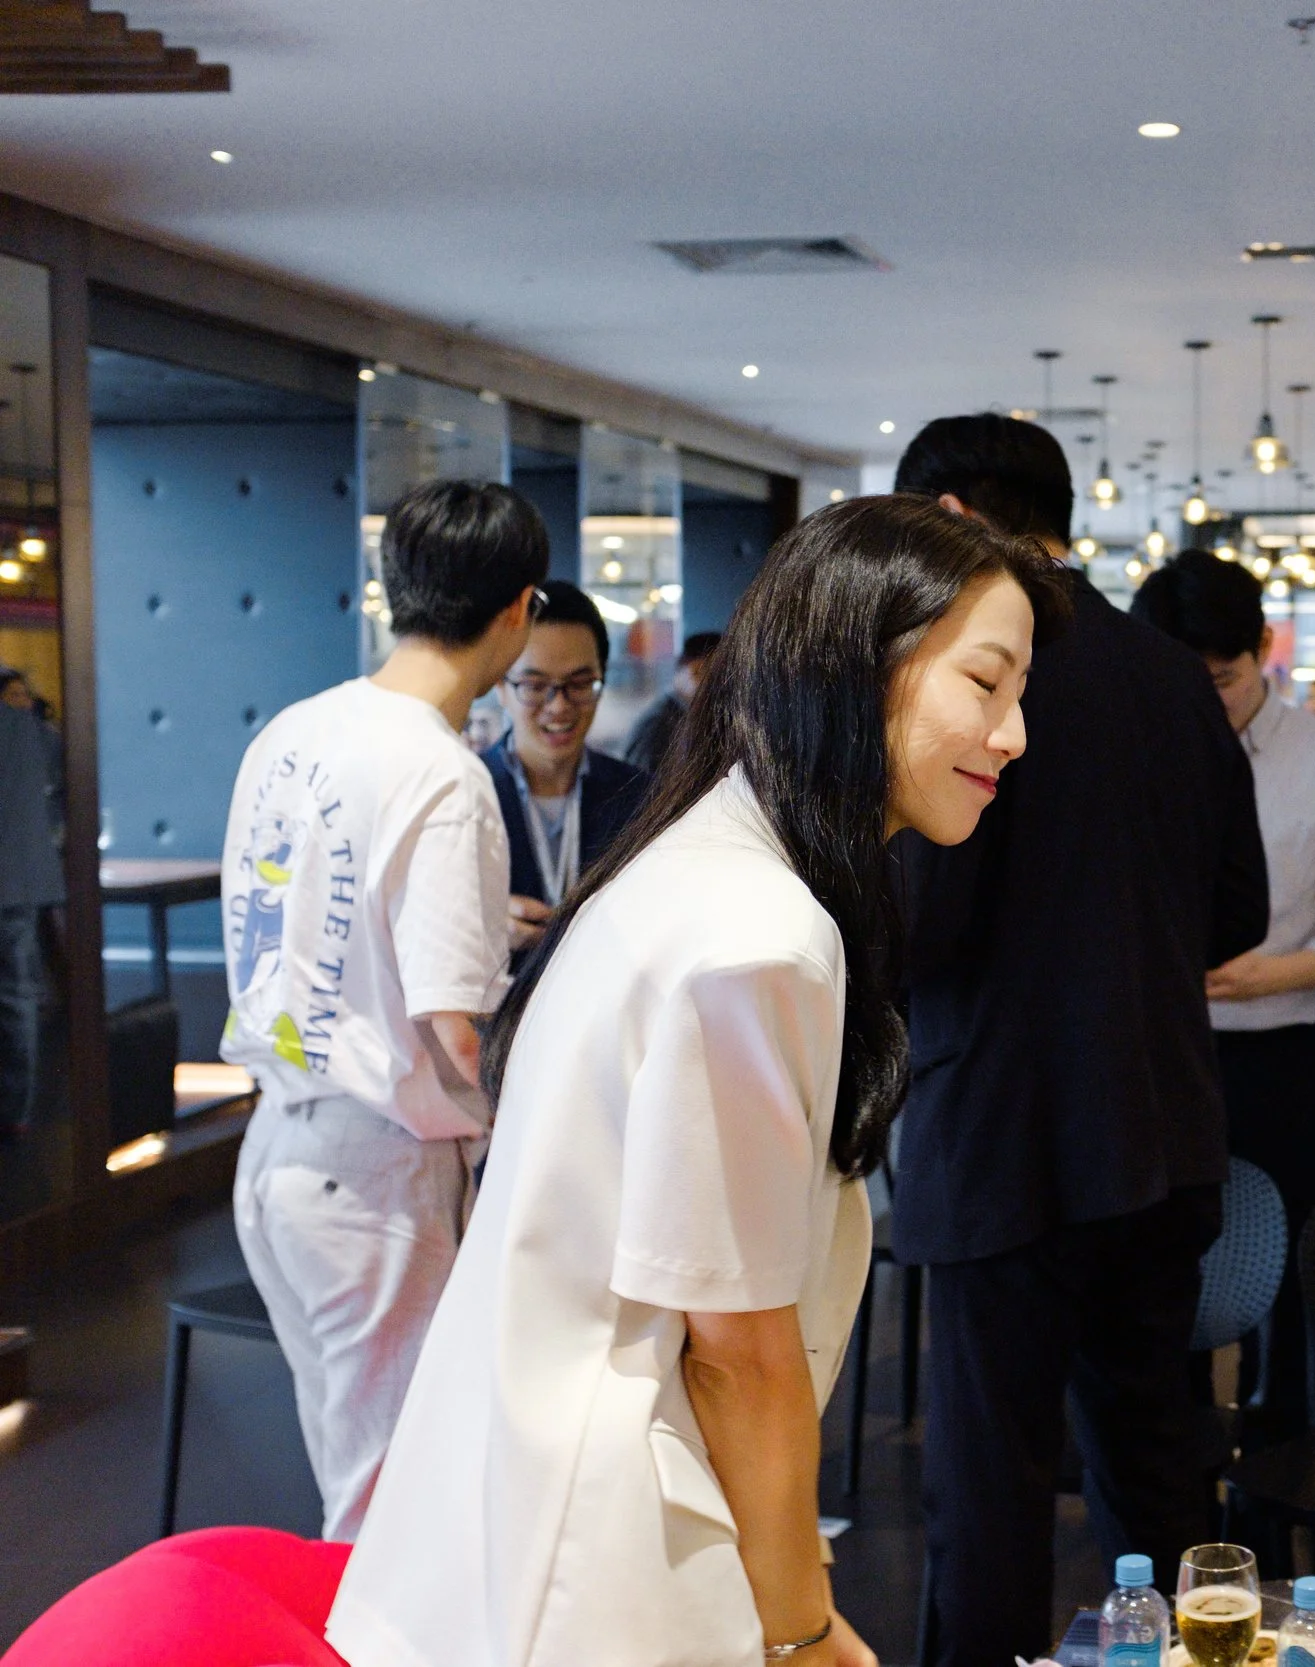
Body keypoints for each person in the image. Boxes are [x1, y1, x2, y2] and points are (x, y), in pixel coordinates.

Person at [329, 496, 1062, 1667]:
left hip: (529, 1510)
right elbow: (737, 1349)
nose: (1013, 733)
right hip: (606, 1556)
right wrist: (801, 1626)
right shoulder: (758, 933)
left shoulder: (710, 862)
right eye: (984, 682)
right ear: (852, 667)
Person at [888, 416, 1268, 1662]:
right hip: (1160, 1130)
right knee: (1156, 1476)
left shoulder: (963, 676)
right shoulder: (1169, 672)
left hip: (999, 1133)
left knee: (989, 1495)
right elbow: (1241, 912)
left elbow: (924, 922)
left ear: (950, 518)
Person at [220, 480, 547, 1541]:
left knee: (354, 1488)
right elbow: (453, 1029)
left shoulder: (293, 731)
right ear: (519, 610)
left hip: (275, 1152)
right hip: (375, 1175)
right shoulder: (443, 772)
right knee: (393, 1514)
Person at [1135, 556, 1315, 1440]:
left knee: (1289, 1277)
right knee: (1159, 1276)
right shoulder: (1133, 752)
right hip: (1160, 1056)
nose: (1203, 702)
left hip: (1285, 1058)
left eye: (1221, 679)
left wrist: (1279, 971)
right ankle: (1170, 1466)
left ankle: (1287, 1457)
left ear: (1263, 648)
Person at [484, 579, 651, 958]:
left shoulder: (642, 798)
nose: (559, 706)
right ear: (500, 686)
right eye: (534, 685)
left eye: (580, 683)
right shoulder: (464, 795)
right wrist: (478, 929)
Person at [0, 688, 64, 1140]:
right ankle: (16, 1109)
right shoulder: (41, 734)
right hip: (22, 882)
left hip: (16, 881)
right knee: (18, 996)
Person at [622, 629, 720, 776]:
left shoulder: (693, 718)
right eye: (699, 672)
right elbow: (641, 784)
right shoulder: (658, 725)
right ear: (690, 669)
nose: (708, 682)